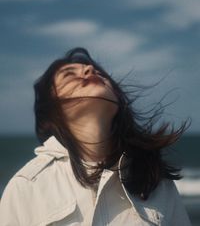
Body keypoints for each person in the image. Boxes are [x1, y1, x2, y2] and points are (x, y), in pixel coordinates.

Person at [0, 47, 191, 225]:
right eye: (68, 74)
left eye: (99, 73)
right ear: (50, 111)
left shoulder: (155, 181)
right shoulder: (27, 186)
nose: (90, 70)